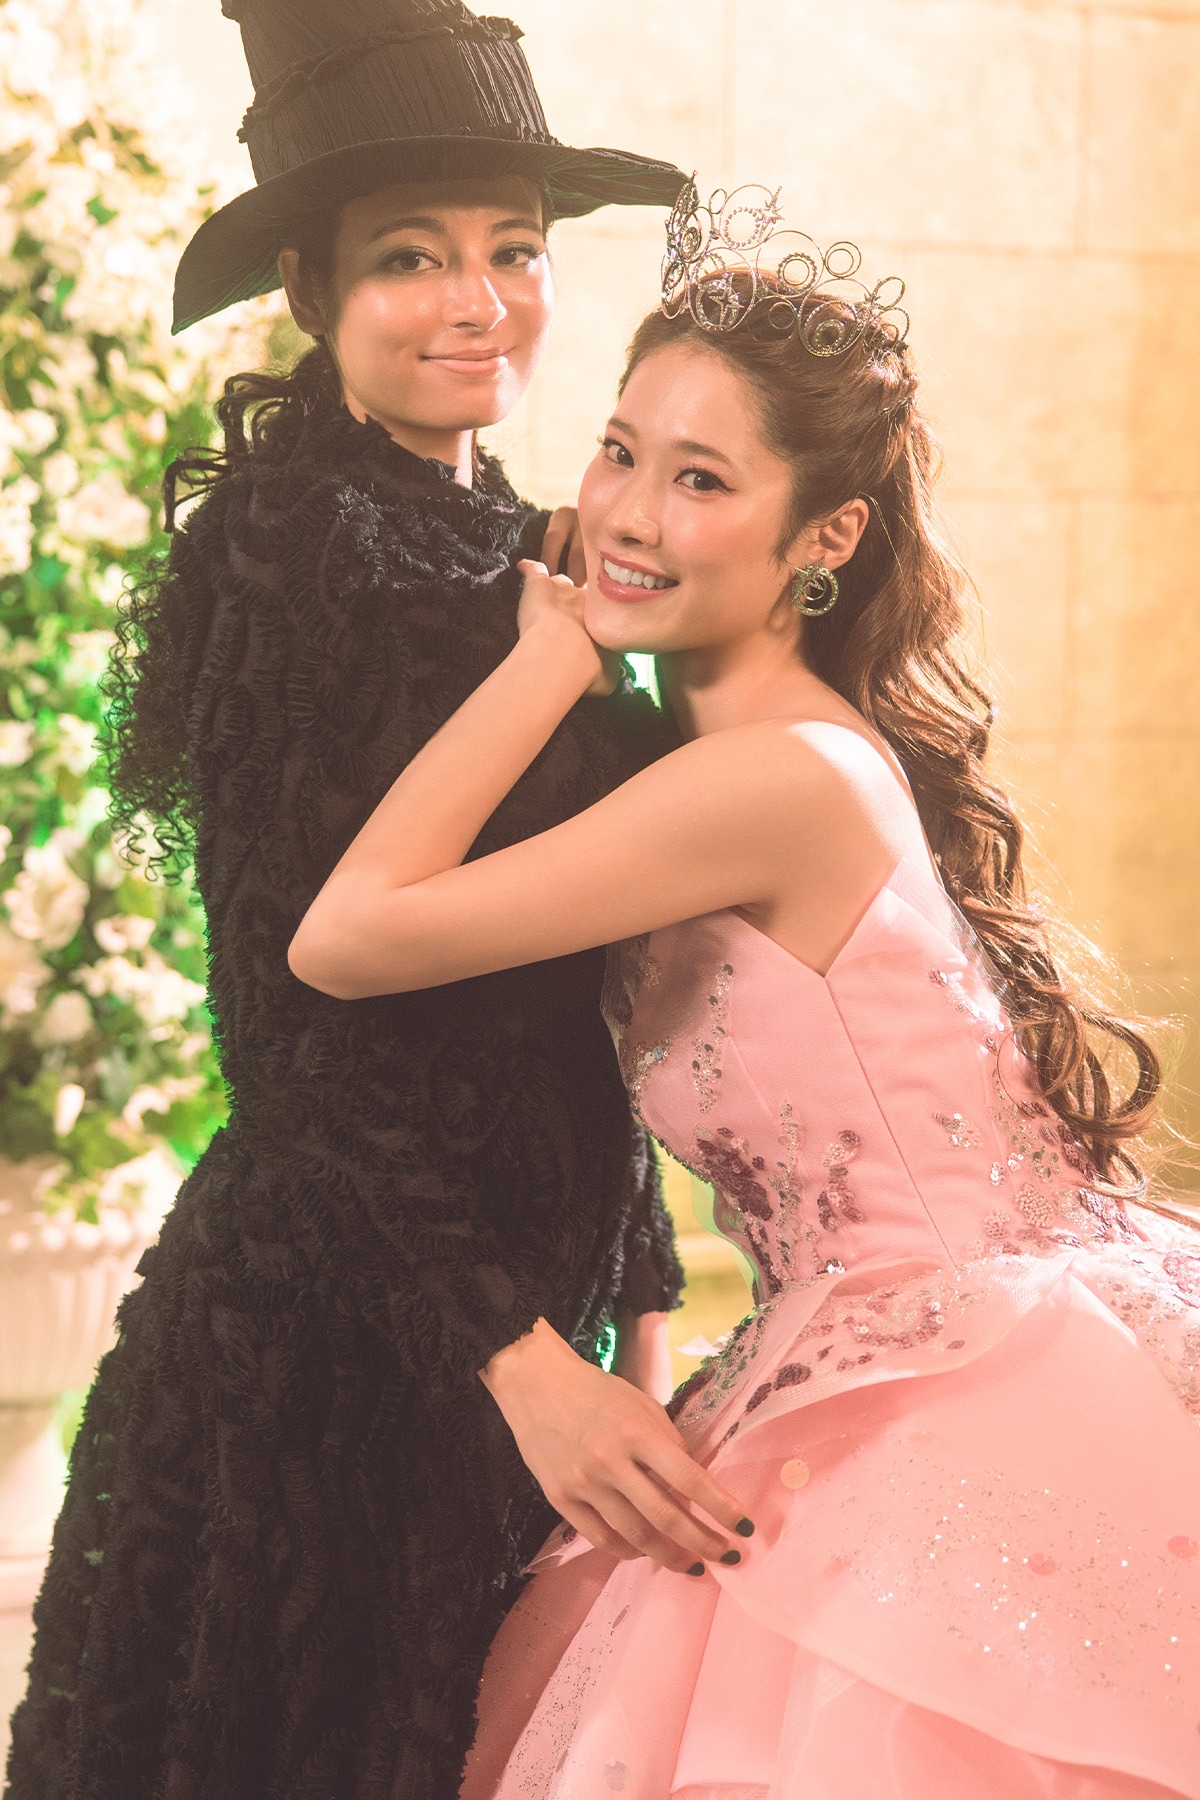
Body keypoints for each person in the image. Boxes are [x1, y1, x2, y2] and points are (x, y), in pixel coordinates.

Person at [286, 183, 1200, 1800]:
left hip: (962, 1392)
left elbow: (343, 937)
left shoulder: (773, 780)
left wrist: (546, 656)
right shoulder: (710, 755)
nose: (628, 517)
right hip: (832, 1362)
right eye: (618, 451)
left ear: (824, 537)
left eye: (701, 479)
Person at [5, 6, 690, 1799]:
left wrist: (640, 1299)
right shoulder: (296, 545)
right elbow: (287, 1034)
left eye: (514, 251)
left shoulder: (508, 535)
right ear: (309, 292)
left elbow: (578, 995)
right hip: (339, 1355)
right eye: (411, 259)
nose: (480, 304)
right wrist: (522, 1360)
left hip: (521, 1325)